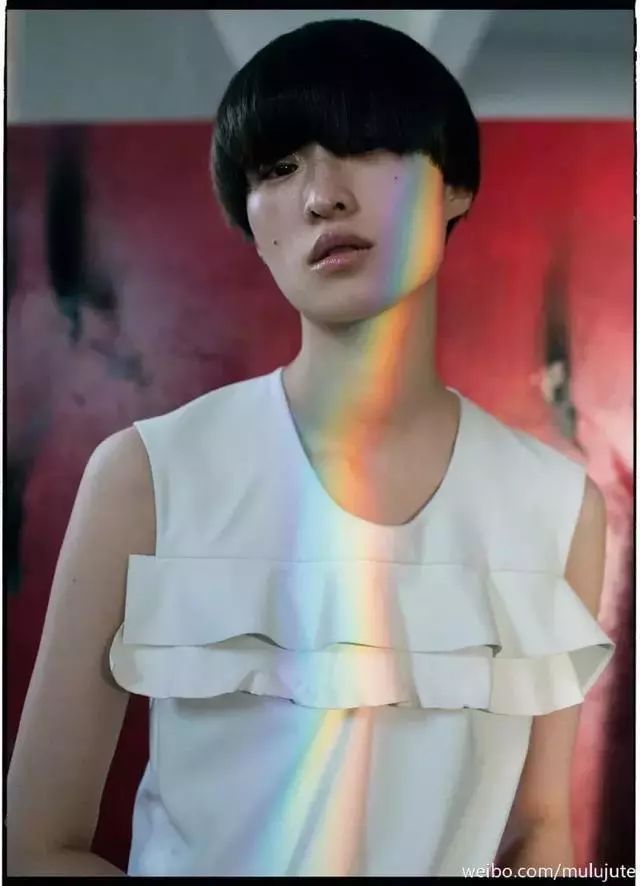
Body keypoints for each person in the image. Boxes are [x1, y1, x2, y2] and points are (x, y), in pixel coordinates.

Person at [7, 18, 616, 877]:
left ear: (454, 185)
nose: (323, 195)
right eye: (277, 168)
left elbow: (539, 834)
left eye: (364, 145)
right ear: (251, 224)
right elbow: (36, 845)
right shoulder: (148, 475)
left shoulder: (554, 506)